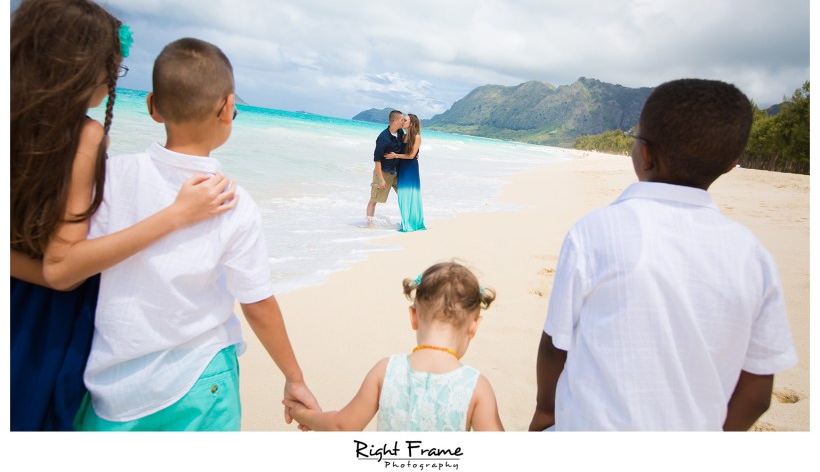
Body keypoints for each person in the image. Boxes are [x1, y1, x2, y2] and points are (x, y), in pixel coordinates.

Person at [10, 0, 235, 431]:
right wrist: (177, 214)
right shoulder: (83, 135)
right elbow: (61, 269)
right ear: (77, 65)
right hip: (42, 317)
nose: (114, 77)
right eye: (112, 66)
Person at [73, 37, 318, 431]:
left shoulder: (112, 175)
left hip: (112, 386)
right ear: (227, 108)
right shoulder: (232, 200)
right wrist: (294, 376)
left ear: (152, 107)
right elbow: (256, 301)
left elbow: (80, 259)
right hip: (203, 378)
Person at [529, 78, 798, 431]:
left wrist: (546, 411)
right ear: (732, 163)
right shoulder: (754, 257)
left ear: (645, 154)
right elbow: (758, 389)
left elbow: (555, 345)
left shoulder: (594, 231)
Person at [284, 262, 504, 431]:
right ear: (473, 326)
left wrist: (303, 414)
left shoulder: (387, 370)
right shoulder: (476, 386)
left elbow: (343, 426)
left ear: (414, 316)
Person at [385, 113, 426, 232]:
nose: (403, 122)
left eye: (405, 120)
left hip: (410, 168)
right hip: (402, 167)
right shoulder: (403, 136)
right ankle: (406, 222)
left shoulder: (417, 137)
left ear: (411, 123)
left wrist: (395, 155)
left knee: (411, 195)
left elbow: (411, 155)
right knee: (403, 196)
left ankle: (412, 224)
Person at [366, 109, 405, 227]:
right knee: (374, 199)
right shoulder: (383, 138)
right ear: (395, 121)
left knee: (404, 196)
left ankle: (406, 222)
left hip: (397, 172)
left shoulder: (400, 132)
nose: (403, 121)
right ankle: (369, 224)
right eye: (402, 119)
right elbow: (377, 160)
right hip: (384, 172)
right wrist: (381, 179)